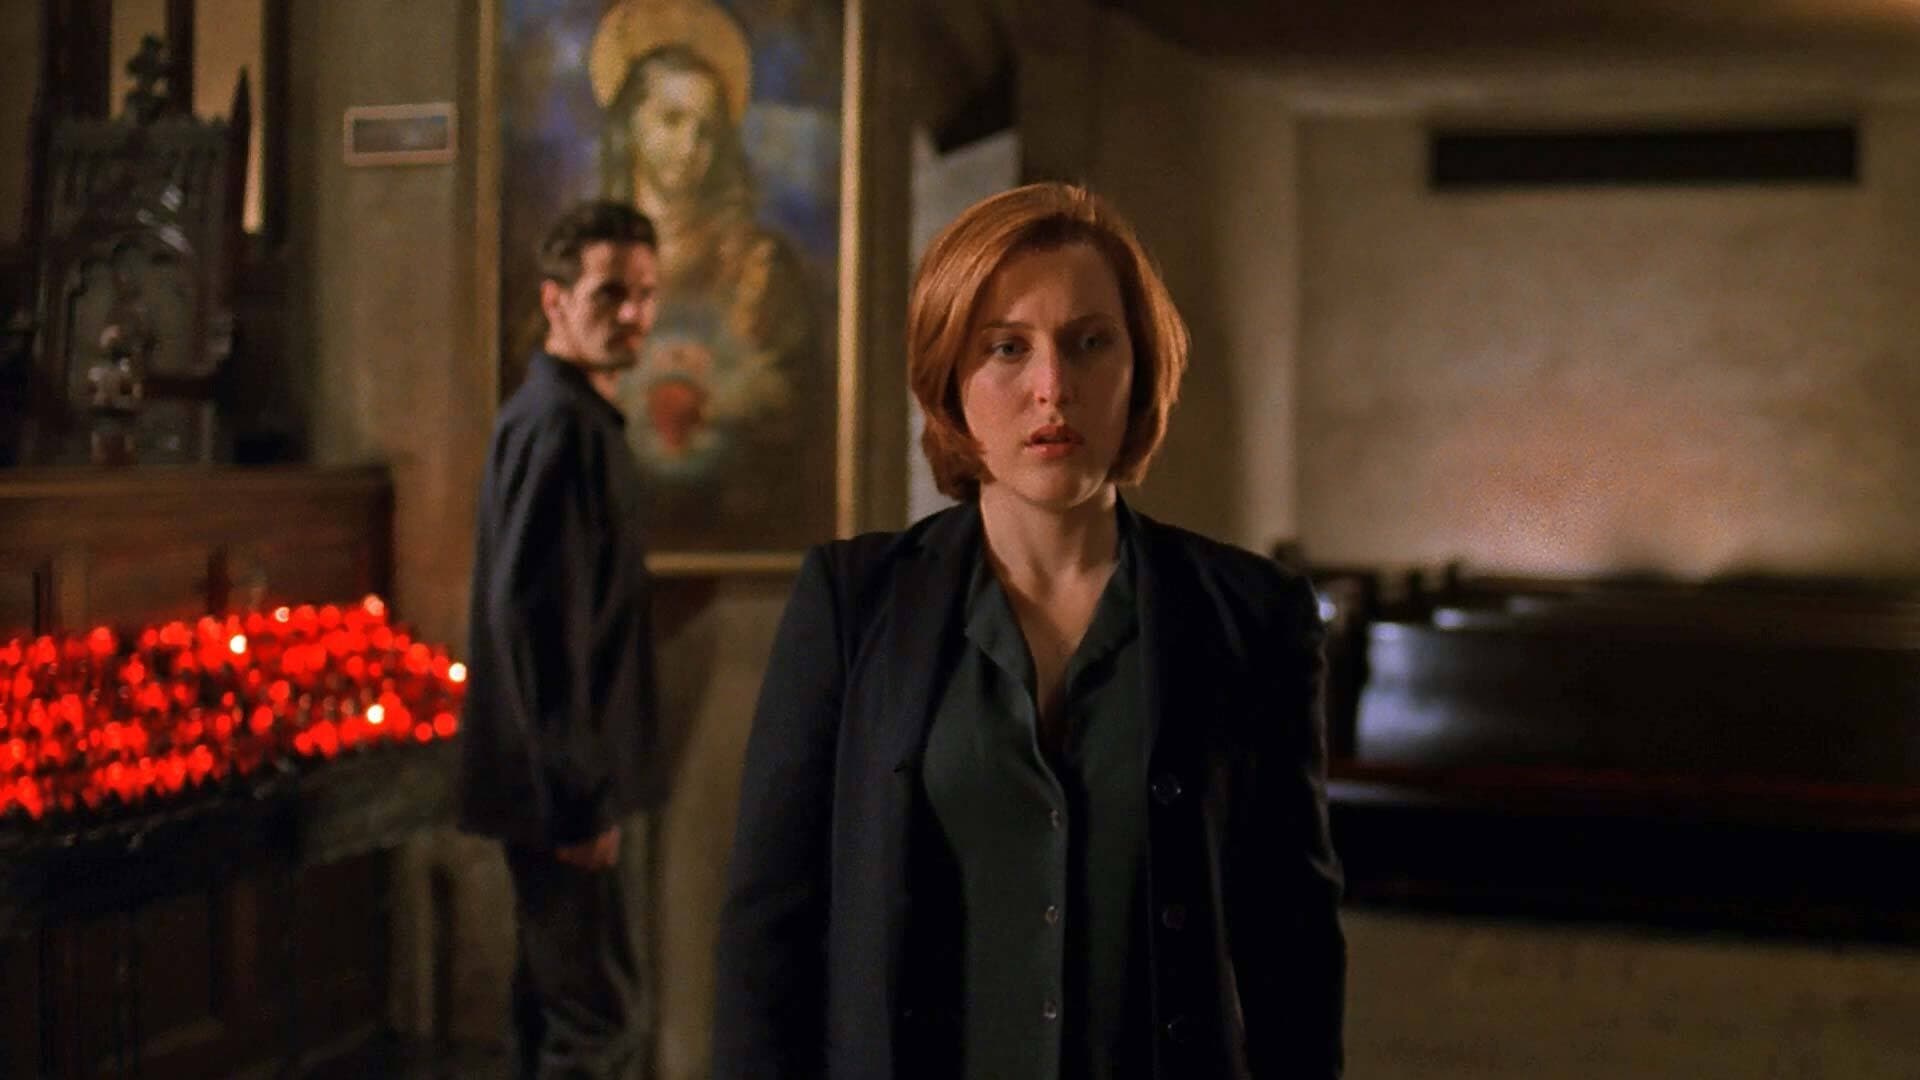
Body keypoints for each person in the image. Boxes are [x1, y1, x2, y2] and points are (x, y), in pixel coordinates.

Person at [712, 181, 1347, 1080]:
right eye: (1006, 348)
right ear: (949, 378)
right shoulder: (853, 605)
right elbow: (769, 932)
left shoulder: (1251, 614)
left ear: (1139, 368)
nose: (1053, 388)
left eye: (1090, 343)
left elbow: (1292, 941)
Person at [460, 200, 665, 1080]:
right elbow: (536, 624)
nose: (634, 314)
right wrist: (580, 799)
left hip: (558, 786)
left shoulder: (571, 416)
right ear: (554, 300)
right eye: (610, 293)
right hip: (562, 794)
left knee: (557, 1013)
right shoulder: (558, 424)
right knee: (598, 1025)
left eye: (646, 294)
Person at [588, 0, 827, 533]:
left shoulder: (763, 266)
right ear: (629, 124)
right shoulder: (584, 263)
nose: (690, 146)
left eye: (706, 129)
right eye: (672, 120)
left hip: (740, 517)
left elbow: (796, 408)